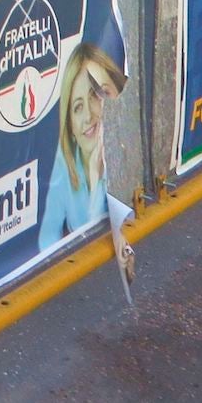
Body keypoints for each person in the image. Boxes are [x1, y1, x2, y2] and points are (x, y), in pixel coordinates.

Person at [38, 38, 127, 251]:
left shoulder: (127, 137)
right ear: (70, 125)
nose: (88, 115)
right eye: (78, 107)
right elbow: (47, 239)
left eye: (96, 95)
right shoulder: (65, 161)